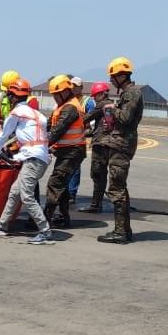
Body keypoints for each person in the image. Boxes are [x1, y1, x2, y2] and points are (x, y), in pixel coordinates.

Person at [0, 78, 54, 245]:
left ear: (12, 97)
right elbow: (32, 138)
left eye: (10, 96)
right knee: (15, 191)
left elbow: (3, 135)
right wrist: (16, 152)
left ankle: (45, 231)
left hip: (33, 160)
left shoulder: (17, 113)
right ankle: (1, 224)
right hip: (38, 158)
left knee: (26, 195)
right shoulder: (38, 114)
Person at [93, 57, 144, 244]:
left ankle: (120, 232)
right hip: (120, 143)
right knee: (119, 187)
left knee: (116, 189)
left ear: (122, 76)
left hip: (122, 145)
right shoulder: (128, 93)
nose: (112, 80)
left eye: (114, 76)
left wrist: (112, 109)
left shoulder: (131, 93)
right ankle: (124, 230)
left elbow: (124, 118)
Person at [42, 74, 87, 229]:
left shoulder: (70, 108)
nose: (54, 98)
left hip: (73, 152)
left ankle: (43, 220)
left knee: (55, 183)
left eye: (56, 94)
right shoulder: (63, 105)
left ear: (64, 92)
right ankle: (63, 217)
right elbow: (48, 125)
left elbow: (57, 131)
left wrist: (41, 146)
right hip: (67, 152)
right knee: (62, 184)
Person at [78, 81, 112, 214]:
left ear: (101, 94)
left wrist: (73, 120)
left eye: (95, 95)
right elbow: (104, 127)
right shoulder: (109, 105)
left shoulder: (102, 105)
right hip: (106, 143)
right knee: (101, 174)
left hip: (100, 145)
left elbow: (86, 118)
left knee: (97, 174)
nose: (94, 98)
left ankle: (95, 205)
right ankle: (97, 203)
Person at [66, 75, 94, 203]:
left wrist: (88, 132)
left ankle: (72, 193)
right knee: (65, 166)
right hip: (66, 139)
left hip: (79, 139)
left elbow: (93, 120)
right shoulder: (67, 101)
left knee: (75, 167)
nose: (73, 89)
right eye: (72, 86)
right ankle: (65, 192)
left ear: (81, 88)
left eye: (76, 87)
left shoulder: (87, 102)